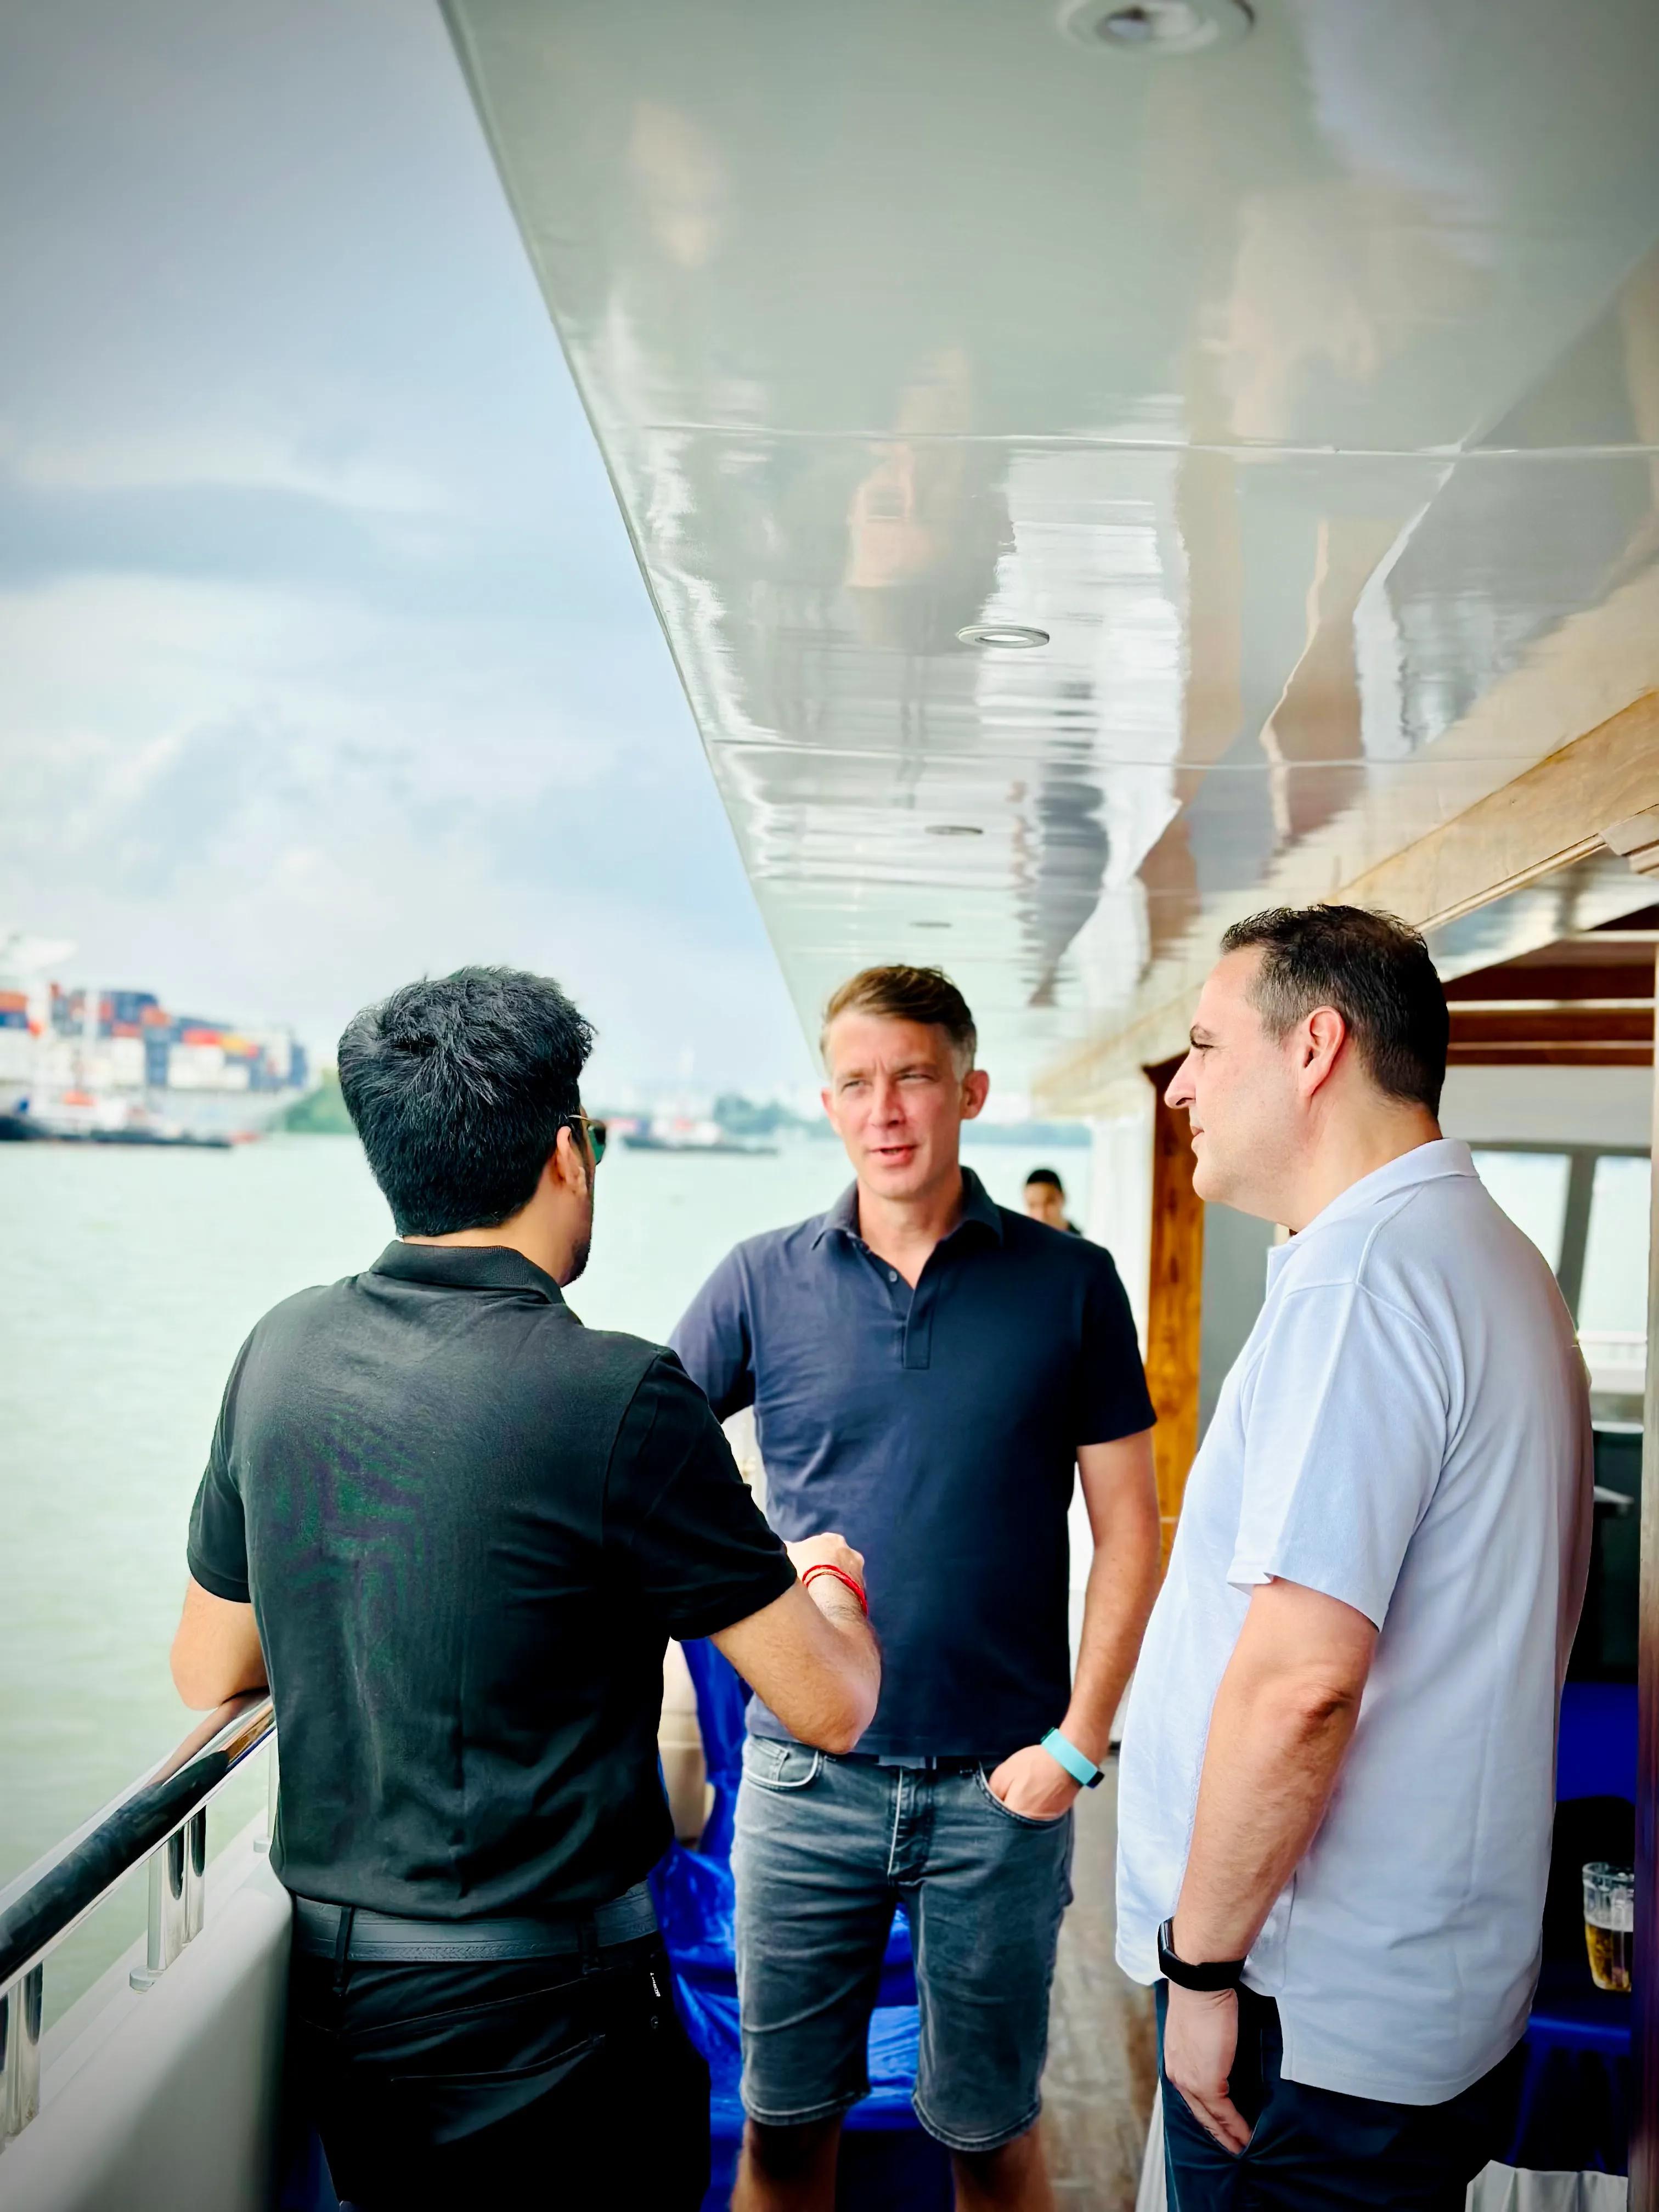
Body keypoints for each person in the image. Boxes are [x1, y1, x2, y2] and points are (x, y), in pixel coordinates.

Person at [167, 967, 880, 2211]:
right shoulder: (619, 1392)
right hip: (561, 2018)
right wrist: (823, 1580)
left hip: (349, 2005)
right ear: (568, 1154)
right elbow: (829, 1707)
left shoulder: (278, 1350)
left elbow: (208, 1668)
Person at [1115, 906, 1593, 2210]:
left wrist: (1202, 1969)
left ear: (1315, 1047)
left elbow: (1301, 1686)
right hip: (1427, 1987)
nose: (1182, 1087)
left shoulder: (1363, 1282)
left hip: (1307, 2010)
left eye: (1206, 1046)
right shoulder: (1491, 1255)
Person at [672, 963, 1160, 2212]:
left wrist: (1076, 1746)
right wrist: (764, 1570)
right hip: (803, 1783)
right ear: (827, 1103)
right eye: (855, 1083)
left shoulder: (1071, 1284)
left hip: (1000, 1791)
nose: (883, 1109)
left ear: (970, 1090)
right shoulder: (759, 1278)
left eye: (913, 1078)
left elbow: (1129, 1531)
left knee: (990, 2140)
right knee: (782, 2136)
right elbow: (646, 1469)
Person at [1022, 1165, 1081, 1235]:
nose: (1041, 1214)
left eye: (1049, 1203)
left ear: (1063, 1198)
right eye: (1033, 1205)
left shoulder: (1083, 1241)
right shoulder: (1023, 1240)